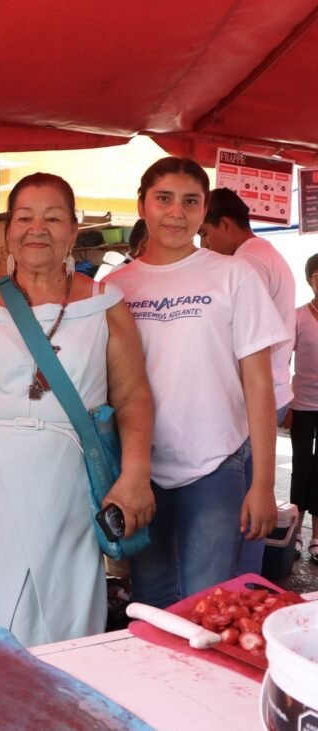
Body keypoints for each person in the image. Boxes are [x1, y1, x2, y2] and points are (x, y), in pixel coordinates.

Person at [0, 173, 154, 645]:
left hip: (69, 480)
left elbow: (133, 398)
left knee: (64, 609)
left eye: (52, 217)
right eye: (24, 217)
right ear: (8, 231)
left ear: (73, 227)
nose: (36, 228)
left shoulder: (105, 305)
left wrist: (135, 475)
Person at [105, 157, 288, 608]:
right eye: (163, 199)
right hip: (140, 471)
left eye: (190, 202)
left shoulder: (233, 275)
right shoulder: (114, 286)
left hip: (215, 464)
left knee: (208, 603)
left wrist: (262, 483)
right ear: (142, 205)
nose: (176, 212)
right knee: (151, 602)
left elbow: (259, 384)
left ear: (204, 210)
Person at [198, 186, 296, 574]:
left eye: (205, 233)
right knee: (250, 502)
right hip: (273, 388)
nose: (204, 243)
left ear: (225, 224)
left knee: (246, 503)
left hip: (256, 396)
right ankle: (247, 581)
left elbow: (238, 340)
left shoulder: (246, 264)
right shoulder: (266, 255)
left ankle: (240, 586)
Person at [289, 252, 318, 563]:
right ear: (310, 280)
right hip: (302, 404)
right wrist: (284, 403)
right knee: (301, 466)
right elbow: (282, 360)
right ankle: (295, 532)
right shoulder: (297, 316)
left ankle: (317, 537)